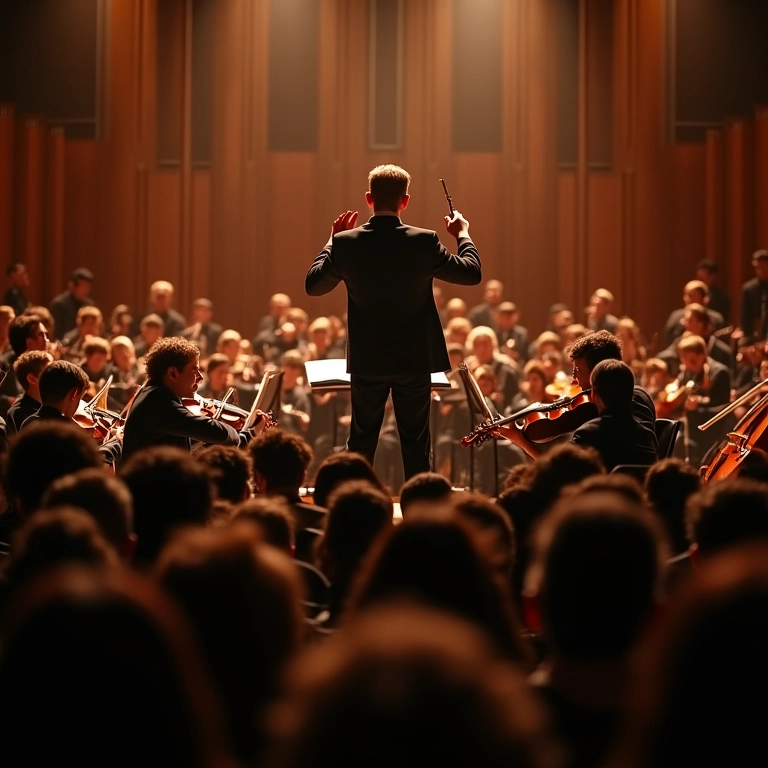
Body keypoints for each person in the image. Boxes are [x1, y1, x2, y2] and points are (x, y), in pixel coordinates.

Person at [306, 164, 482, 481]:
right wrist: (463, 234)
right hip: (413, 360)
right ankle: (421, 516)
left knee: (360, 442)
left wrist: (331, 241)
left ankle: (355, 509)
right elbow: (471, 273)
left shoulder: (347, 242)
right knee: (416, 445)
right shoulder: (424, 241)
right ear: (405, 201)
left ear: (369, 199)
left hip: (367, 359)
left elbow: (314, 286)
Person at [120, 336, 269, 463]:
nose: (200, 377)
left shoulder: (151, 392)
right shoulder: (158, 401)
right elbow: (219, 433)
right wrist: (250, 432)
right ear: (172, 373)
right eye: (194, 370)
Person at [7, 350, 52, 435]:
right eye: (48, 372)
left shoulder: (45, 404)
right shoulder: (21, 414)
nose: (55, 377)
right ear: (32, 379)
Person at [48, 267, 95, 340]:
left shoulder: (90, 305)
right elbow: (56, 334)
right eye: (83, 286)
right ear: (72, 285)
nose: (86, 290)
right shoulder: (58, 305)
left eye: (88, 287)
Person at [738, 248, 768, 342]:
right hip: (753, 334)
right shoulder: (749, 288)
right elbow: (745, 316)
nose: (759, 270)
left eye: (763, 266)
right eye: (757, 267)